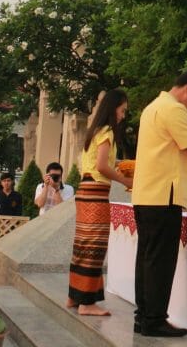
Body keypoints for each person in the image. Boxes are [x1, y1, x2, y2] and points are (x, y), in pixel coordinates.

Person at [131, 70, 187, 338]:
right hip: (164, 195)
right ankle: (155, 319)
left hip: (146, 193)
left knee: (146, 257)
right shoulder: (174, 109)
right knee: (160, 259)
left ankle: (143, 316)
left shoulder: (152, 107)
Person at [68, 87, 133, 317]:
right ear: (113, 108)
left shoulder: (94, 130)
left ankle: (75, 296)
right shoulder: (107, 131)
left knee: (83, 245)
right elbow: (102, 166)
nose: (123, 115)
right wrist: (126, 180)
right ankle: (87, 303)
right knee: (94, 247)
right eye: (122, 110)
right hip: (96, 193)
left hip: (85, 191)